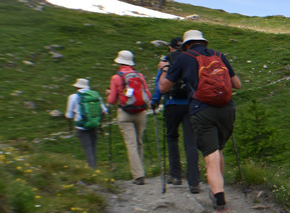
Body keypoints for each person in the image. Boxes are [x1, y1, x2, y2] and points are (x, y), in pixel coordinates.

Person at [159, 30, 242, 213]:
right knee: (218, 150)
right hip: (227, 110)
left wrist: (164, 69)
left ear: (187, 44)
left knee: (210, 157)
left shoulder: (182, 58)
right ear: (204, 42)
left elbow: (163, 88)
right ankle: (218, 188)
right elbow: (237, 84)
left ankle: (220, 204)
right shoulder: (219, 56)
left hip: (201, 110)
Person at [151, 37, 201, 194]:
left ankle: (175, 175)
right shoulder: (189, 59)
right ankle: (194, 182)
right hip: (189, 104)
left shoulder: (167, 62)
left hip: (172, 104)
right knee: (190, 142)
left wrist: (155, 101)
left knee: (172, 138)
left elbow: (160, 85)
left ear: (170, 48)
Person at [107, 50, 148, 185]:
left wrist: (109, 93)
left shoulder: (116, 78)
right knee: (139, 142)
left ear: (119, 62)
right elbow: (146, 94)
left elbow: (112, 100)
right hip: (141, 111)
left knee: (131, 144)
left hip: (125, 113)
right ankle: (140, 171)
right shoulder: (140, 76)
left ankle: (138, 175)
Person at [65, 78, 107, 170]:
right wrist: (99, 123)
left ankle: (92, 171)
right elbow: (104, 111)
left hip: (81, 127)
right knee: (93, 148)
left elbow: (69, 115)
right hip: (94, 124)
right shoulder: (96, 95)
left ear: (77, 87)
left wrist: (71, 125)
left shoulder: (73, 97)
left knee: (87, 149)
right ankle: (94, 169)